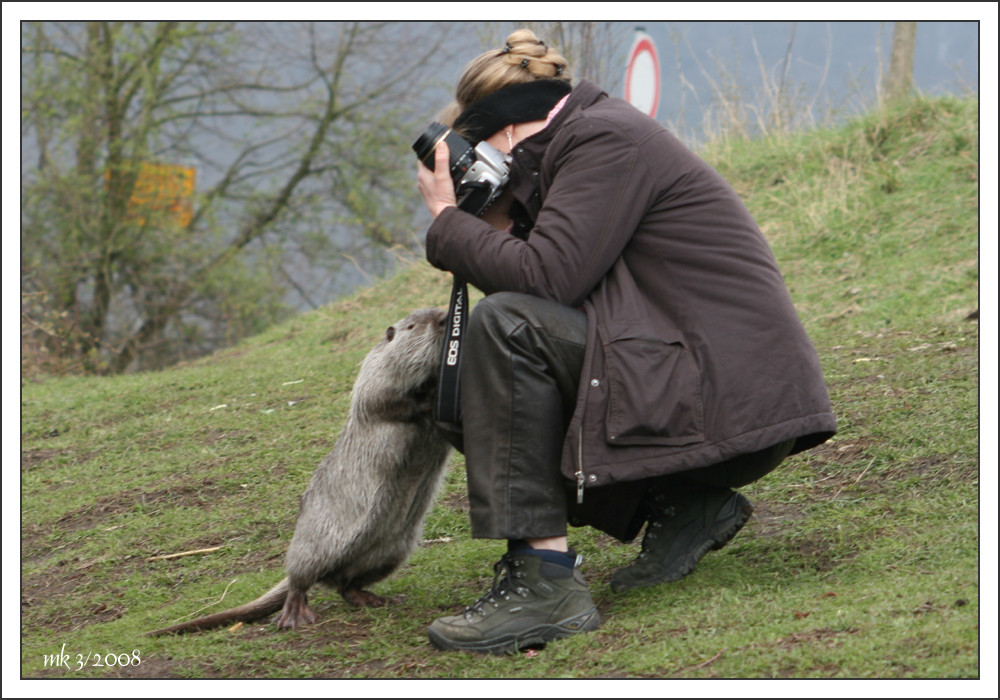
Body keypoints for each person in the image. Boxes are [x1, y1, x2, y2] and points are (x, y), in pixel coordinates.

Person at [415, 29, 836, 655]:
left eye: (475, 151)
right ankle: (680, 504)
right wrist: (498, 217)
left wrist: (450, 222)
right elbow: (560, 283)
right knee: (452, 385)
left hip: (725, 397)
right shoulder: (571, 150)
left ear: (501, 135)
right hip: (678, 378)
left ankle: (545, 582)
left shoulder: (603, 139)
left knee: (505, 326)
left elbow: (545, 280)